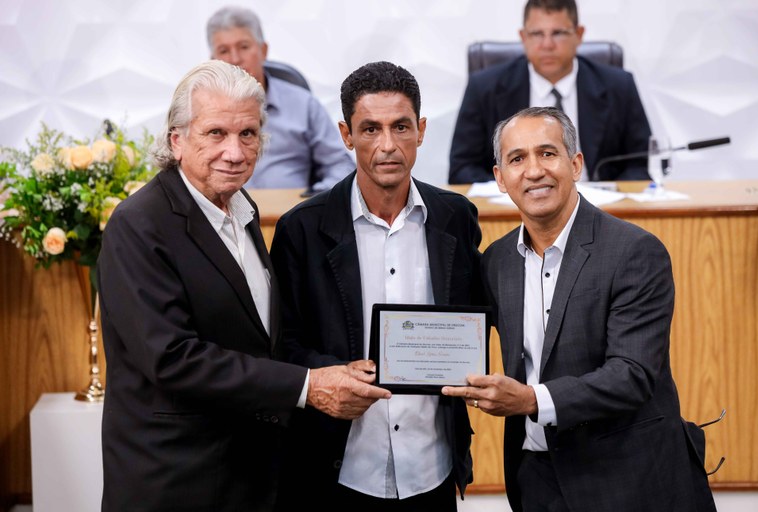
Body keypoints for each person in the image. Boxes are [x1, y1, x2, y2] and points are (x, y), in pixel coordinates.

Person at [97, 60, 391, 512]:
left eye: (248, 134)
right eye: (216, 133)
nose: (234, 152)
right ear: (177, 140)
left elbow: (255, 336)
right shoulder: (138, 225)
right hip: (176, 480)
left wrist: (328, 370)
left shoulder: (239, 205)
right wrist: (307, 385)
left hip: (249, 474)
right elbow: (173, 359)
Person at [443, 107, 716, 512]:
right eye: (517, 159)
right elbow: (454, 330)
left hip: (628, 479)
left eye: (547, 153)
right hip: (536, 479)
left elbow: (632, 374)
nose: (534, 171)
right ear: (500, 178)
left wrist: (532, 400)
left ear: (575, 164)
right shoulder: (497, 261)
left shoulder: (635, 251)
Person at [270, 61, 482, 510]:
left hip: (431, 466)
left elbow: (471, 318)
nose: (387, 145)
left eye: (400, 126)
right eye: (370, 129)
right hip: (338, 467)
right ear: (346, 135)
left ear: (421, 131)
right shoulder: (301, 229)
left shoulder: (456, 217)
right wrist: (331, 374)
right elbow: (282, 344)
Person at [448, 0, 651, 184]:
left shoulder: (619, 86)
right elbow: (462, 168)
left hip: (597, 206)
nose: (547, 45)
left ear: (579, 35)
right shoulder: (484, 87)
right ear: (523, 37)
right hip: (515, 205)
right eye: (537, 34)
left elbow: (642, 164)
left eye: (558, 33)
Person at [206, 6, 353, 191]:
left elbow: (340, 165)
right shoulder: (201, 109)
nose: (235, 59)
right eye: (223, 51)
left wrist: (314, 201)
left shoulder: (303, 104)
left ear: (263, 50)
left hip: (292, 208)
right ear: (213, 60)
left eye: (244, 47)